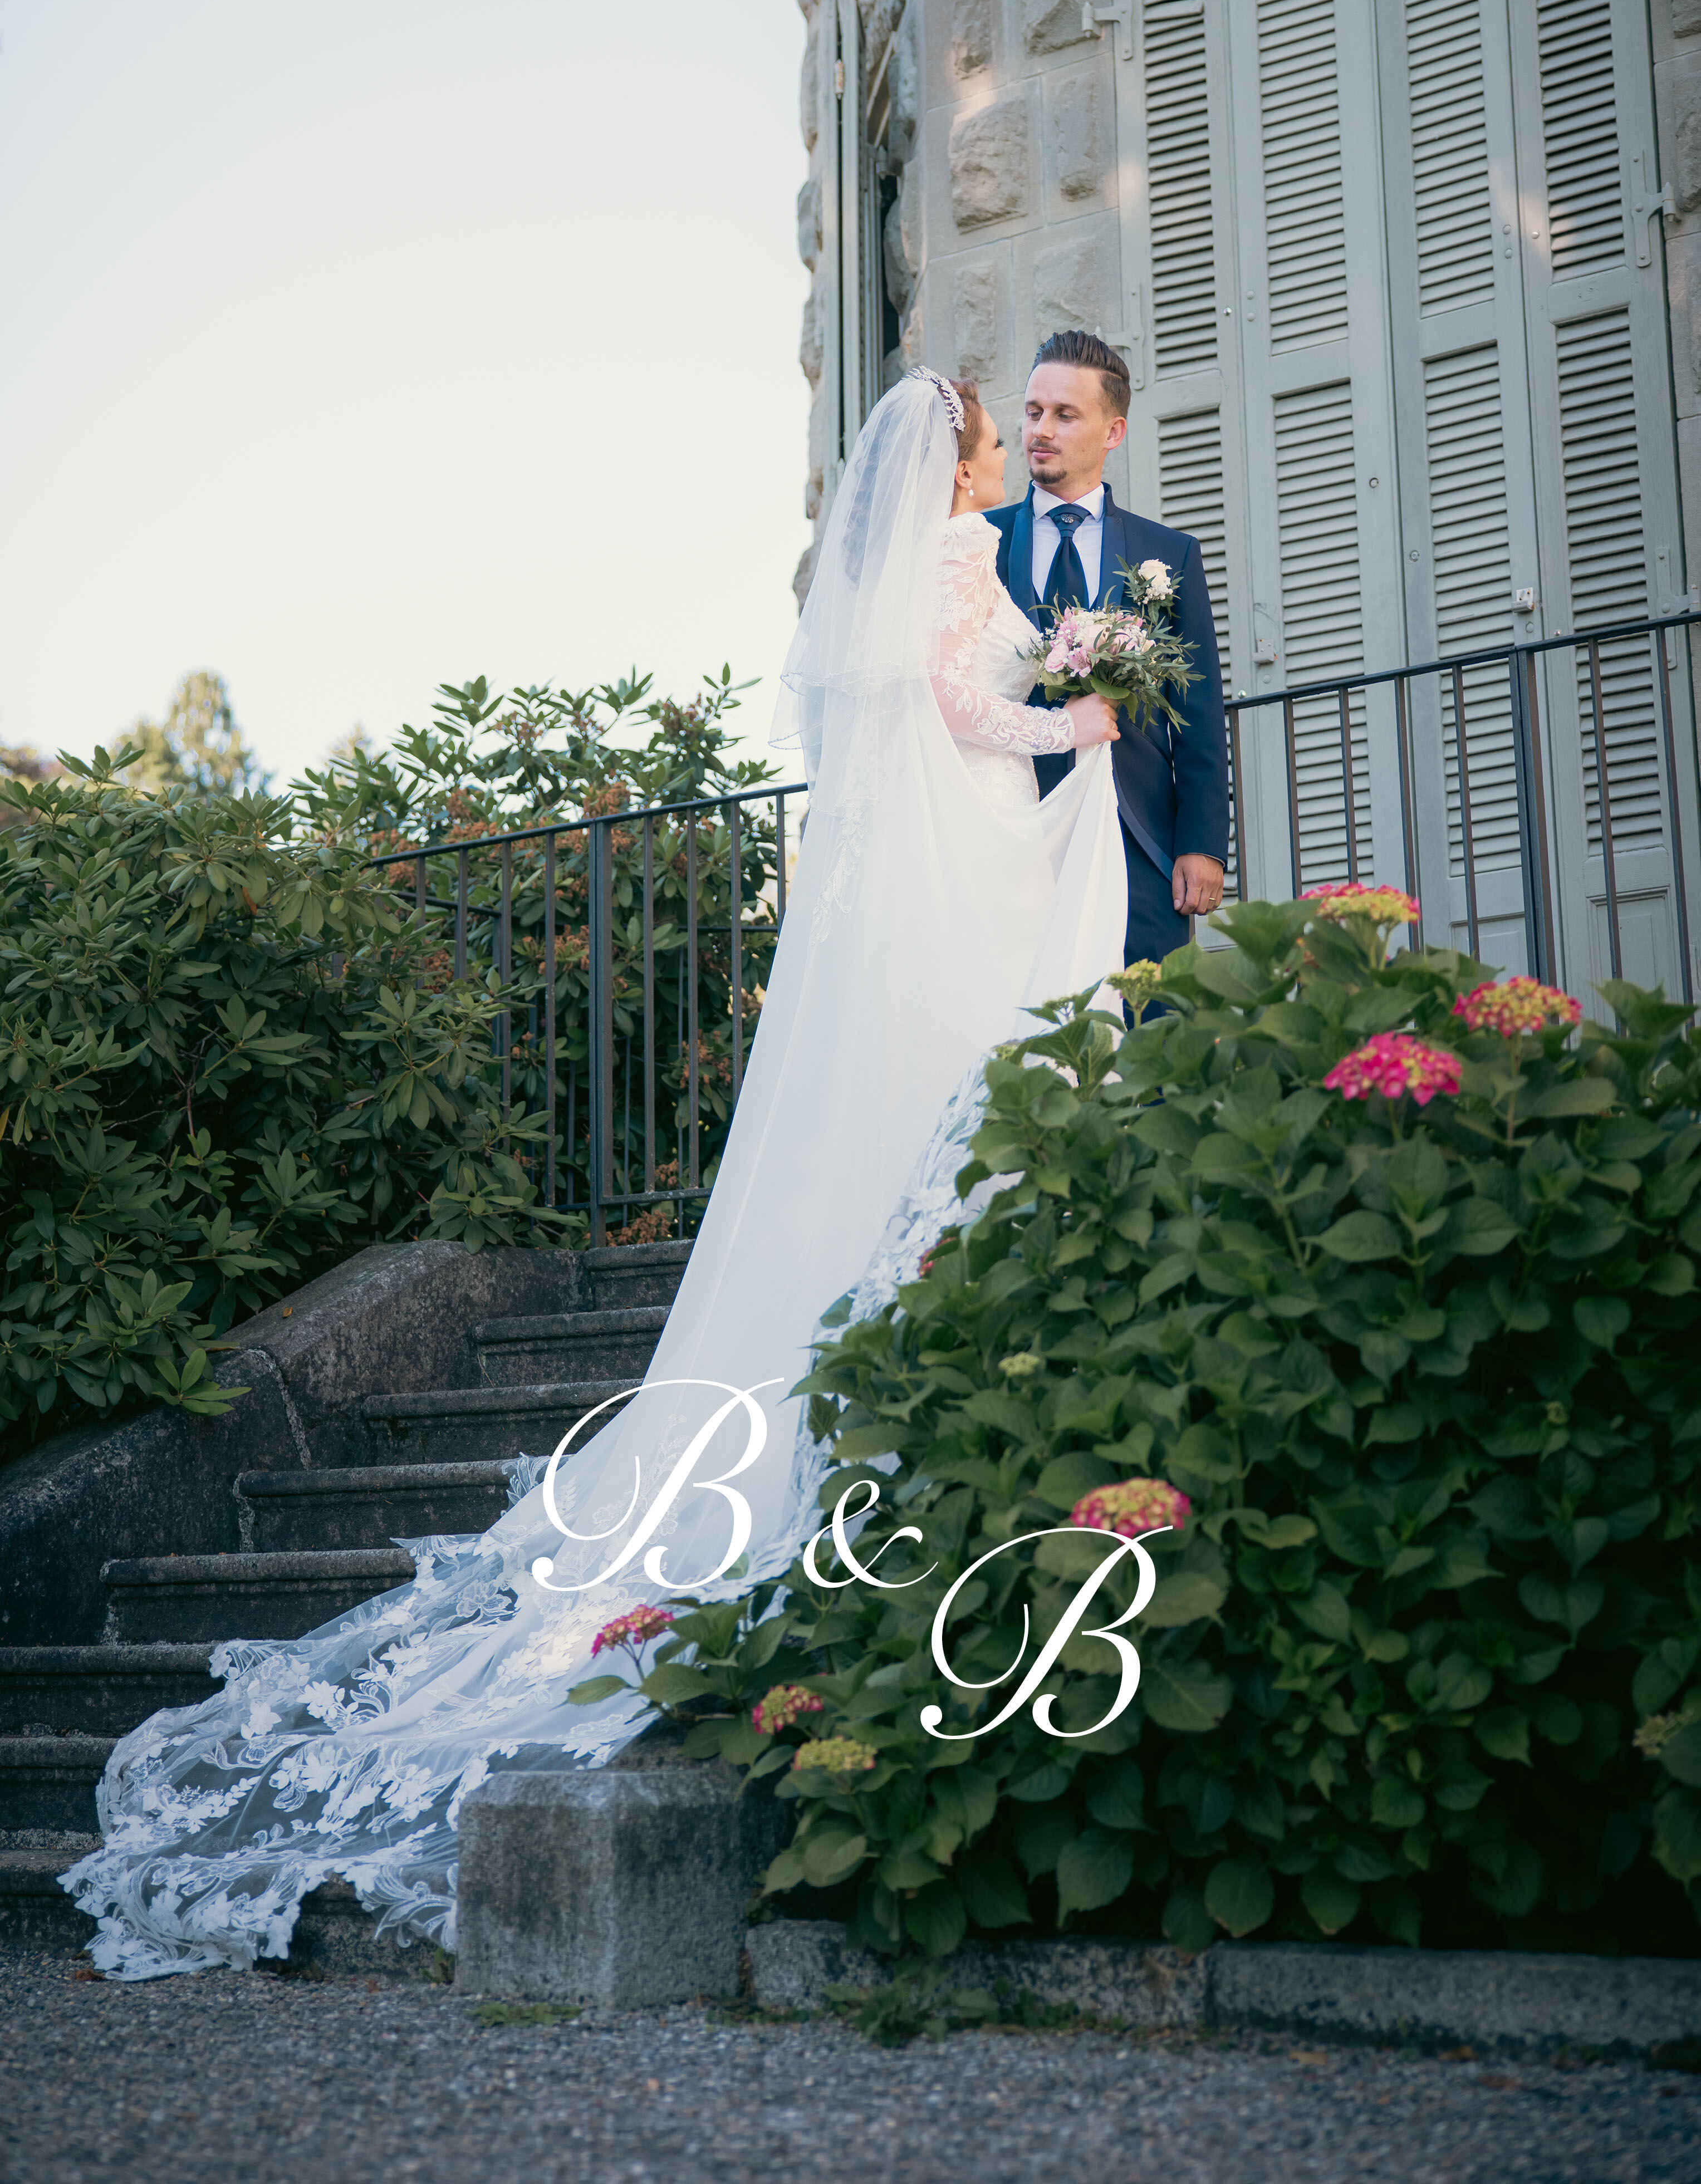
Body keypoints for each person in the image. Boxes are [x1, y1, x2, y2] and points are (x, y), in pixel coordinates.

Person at [66, 368, 1128, 1980]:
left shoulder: (941, 558)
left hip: (950, 856)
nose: (999, 458)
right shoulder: (954, 562)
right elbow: (958, 708)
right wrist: (1075, 716)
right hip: (966, 839)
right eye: (993, 439)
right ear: (965, 455)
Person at [987, 330, 1229, 969]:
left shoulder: (1169, 555)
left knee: (1149, 1039)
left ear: (1113, 432)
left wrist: (1202, 843)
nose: (1041, 429)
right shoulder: (974, 546)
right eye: (1034, 411)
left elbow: (1200, 714)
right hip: (1008, 838)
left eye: (1066, 415)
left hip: (1138, 841)